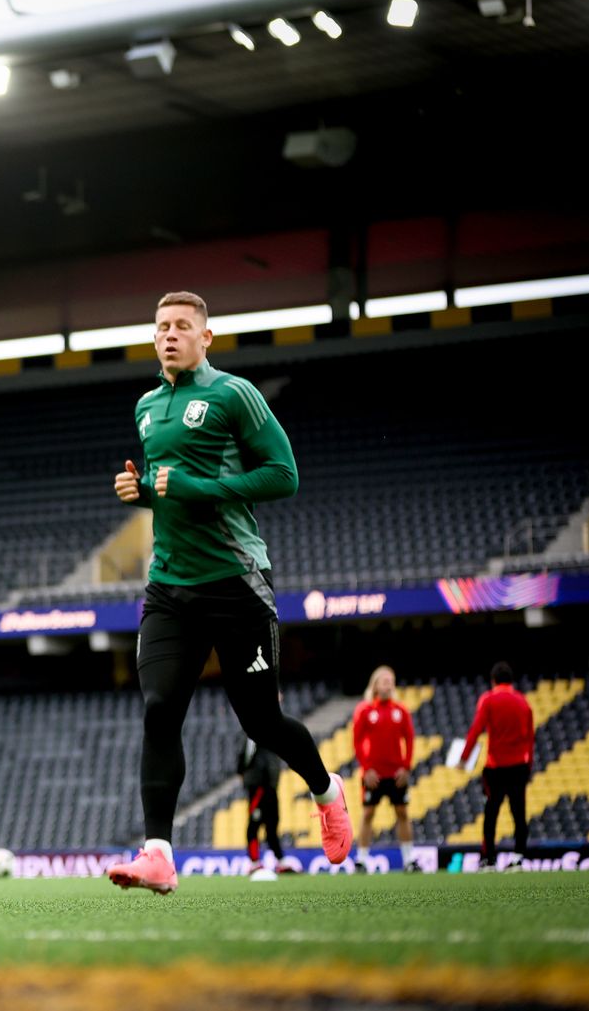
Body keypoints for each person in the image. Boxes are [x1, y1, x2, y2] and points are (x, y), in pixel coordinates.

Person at [106, 290, 350, 895]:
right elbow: (169, 489)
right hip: (169, 586)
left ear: (205, 337)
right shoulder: (145, 407)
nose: (169, 335)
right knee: (160, 709)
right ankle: (158, 855)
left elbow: (283, 476)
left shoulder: (233, 394)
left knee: (261, 720)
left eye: (182, 326)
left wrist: (193, 485)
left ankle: (326, 790)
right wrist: (143, 492)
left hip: (237, 584)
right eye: (161, 326)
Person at [463, 661, 535, 868]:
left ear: (493, 681)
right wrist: (528, 764)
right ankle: (519, 857)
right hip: (519, 766)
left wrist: (464, 757)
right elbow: (530, 738)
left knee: (491, 812)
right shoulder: (523, 702)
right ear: (511, 681)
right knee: (519, 812)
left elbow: (476, 729)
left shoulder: (488, 700)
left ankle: (489, 858)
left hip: (496, 767)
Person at [351, 665, 418, 871]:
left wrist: (406, 768)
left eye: (391, 680)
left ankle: (408, 860)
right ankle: (361, 860)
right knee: (368, 813)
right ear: (376, 685)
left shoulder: (401, 710)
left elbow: (410, 738)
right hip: (374, 774)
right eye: (385, 680)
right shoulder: (365, 710)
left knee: (402, 813)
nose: (389, 684)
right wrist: (367, 769)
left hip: (396, 773)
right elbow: (357, 741)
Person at [237, 737, 287, 868]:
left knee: (271, 825)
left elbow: (245, 758)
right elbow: (246, 757)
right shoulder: (255, 736)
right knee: (256, 825)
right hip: (260, 787)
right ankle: (255, 862)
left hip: (268, 786)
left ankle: (279, 861)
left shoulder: (261, 736)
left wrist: (242, 771)